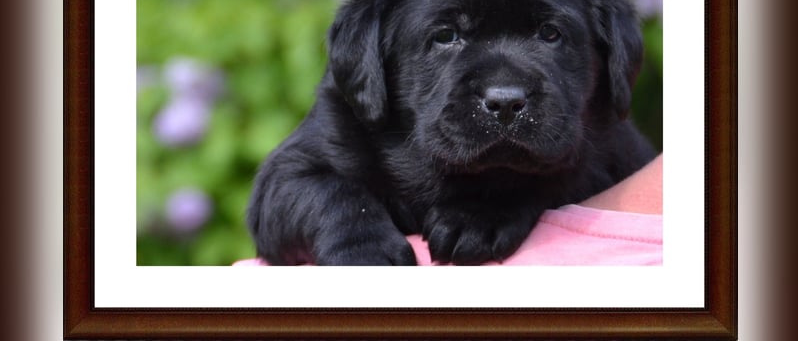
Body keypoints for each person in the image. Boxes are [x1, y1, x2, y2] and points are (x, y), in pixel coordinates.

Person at [234, 154, 662, 267]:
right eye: (446, 37)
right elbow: (283, 192)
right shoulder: (350, 128)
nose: (504, 90)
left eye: (549, 34)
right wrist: (351, 232)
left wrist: (513, 195)